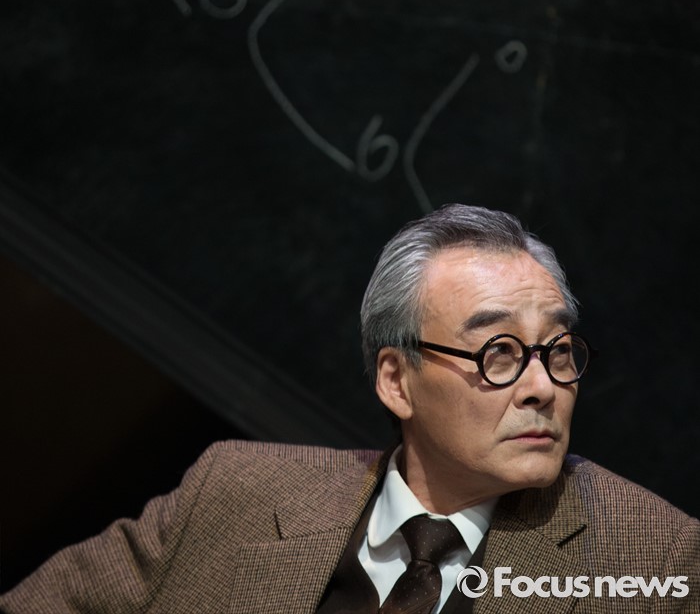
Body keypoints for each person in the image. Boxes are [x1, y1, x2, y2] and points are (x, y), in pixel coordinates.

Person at [2, 204, 698, 613]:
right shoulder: (233, 490)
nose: (543, 386)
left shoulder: (652, 557)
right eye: (500, 353)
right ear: (396, 380)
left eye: (559, 351)